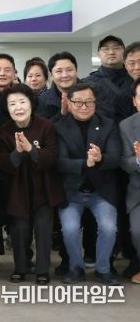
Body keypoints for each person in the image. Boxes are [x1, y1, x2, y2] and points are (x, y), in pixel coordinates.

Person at [0, 84, 64, 284]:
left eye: (22, 102)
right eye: (12, 104)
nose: (18, 107)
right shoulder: (4, 131)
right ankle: (21, 267)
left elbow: (51, 157)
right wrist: (18, 152)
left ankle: (43, 269)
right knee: (19, 229)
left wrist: (31, 149)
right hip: (17, 188)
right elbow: (3, 163)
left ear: (31, 103)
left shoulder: (46, 126)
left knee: (43, 228)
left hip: (44, 187)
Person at [56, 82, 121, 284]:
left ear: (95, 102)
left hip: (101, 191)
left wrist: (100, 158)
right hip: (71, 191)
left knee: (108, 227)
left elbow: (116, 158)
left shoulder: (108, 124)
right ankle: (76, 268)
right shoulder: (59, 127)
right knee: (70, 229)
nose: (84, 107)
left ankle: (103, 269)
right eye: (78, 102)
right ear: (68, 103)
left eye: (89, 102)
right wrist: (85, 163)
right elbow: (60, 162)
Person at [120, 78, 140, 284]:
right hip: (138, 192)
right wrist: (139, 160)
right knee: (137, 231)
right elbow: (125, 163)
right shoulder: (126, 126)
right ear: (134, 101)